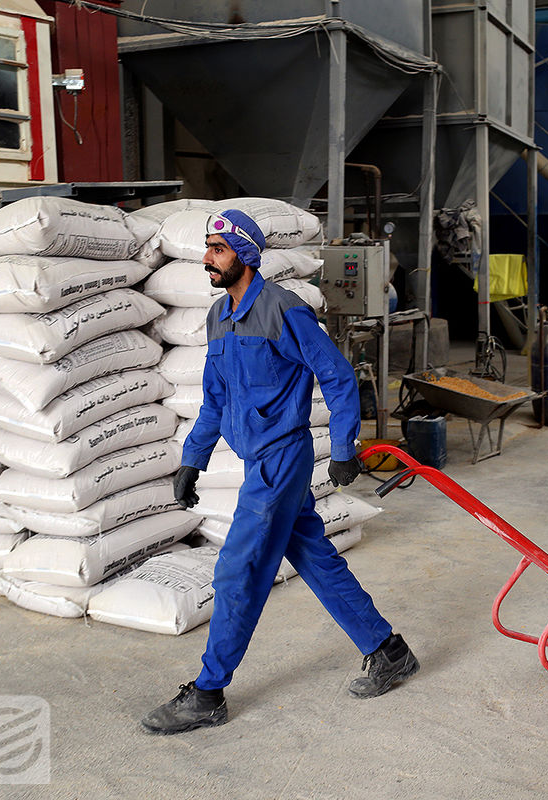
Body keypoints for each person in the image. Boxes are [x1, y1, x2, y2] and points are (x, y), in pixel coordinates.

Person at [141, 209, 419, 735]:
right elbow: (215, 400)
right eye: (207, 248)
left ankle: (208, 692)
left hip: (282, 460)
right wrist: (193, 460)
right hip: (256, 464)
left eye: (218, 250)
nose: (207, 259)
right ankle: (388, 650)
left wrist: (343, 447)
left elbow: (336, 377)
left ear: (244, 254)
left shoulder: (285, 310)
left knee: (237, 570)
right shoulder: (218, 318)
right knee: (315, 559)